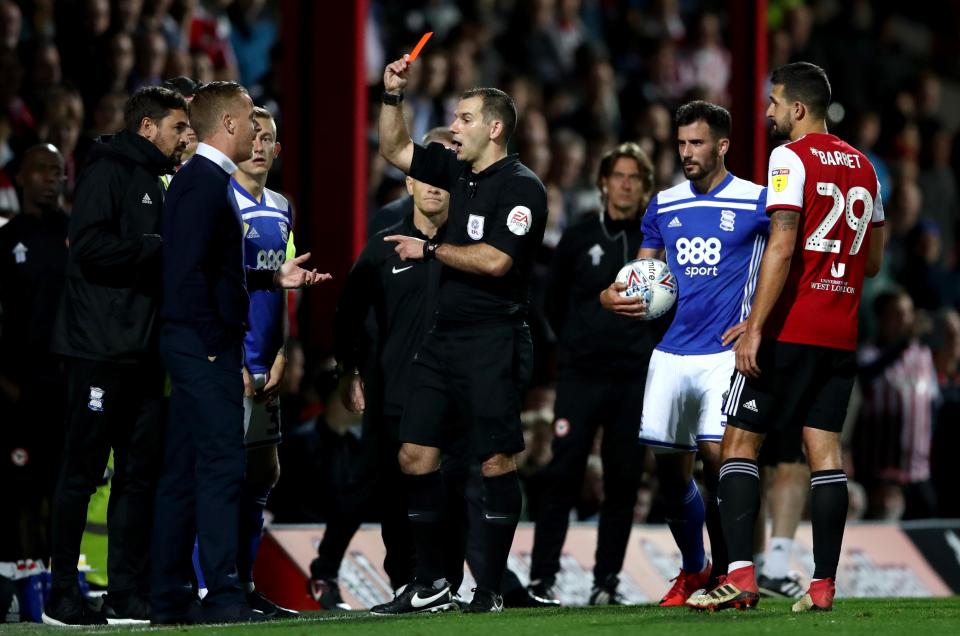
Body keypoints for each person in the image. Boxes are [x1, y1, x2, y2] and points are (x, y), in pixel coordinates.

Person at [687, 62, 885, 613]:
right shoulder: (866, 167)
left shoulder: (789, 158)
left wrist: (754, 325)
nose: (769, 112)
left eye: (774, 103)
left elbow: (782, 240)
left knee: (738, 443)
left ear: (798, 108)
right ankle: (822, 585)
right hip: (841, 333)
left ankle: (742, 576)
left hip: (791, 327)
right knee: (824, 452)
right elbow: (873, 263)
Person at [372, 55, 547, 614]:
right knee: (414, 454)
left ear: (494, 127)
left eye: (465, 118)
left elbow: (497, 261)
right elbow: (394, 151)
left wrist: (430, 248)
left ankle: (490, 588)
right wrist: (393, 96)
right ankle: (431, 582)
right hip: (444, 338)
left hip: (493, 338)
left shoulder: (523, 189)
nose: (456, 126)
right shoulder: (456, 173)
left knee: (495, 461)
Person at [152, 81, 327, 625]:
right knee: (223, 468)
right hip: (204, 349)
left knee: (183, 471)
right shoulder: (203, 184)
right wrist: (211, 347)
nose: (258, 131)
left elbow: (211, 269)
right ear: (227, 124)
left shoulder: (203, 181)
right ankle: (224, 594)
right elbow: (182, 277)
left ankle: (171, 595)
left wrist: (274, 276)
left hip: (194, 345)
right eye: (251, 119)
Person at [600, 101, 767, 607]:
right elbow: (641, 277)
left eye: (697, 143)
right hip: (671, 354)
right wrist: (613, 294)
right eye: (681, 144)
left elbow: (783, 262)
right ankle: (695, 569)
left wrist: (757, 322)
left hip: (724, 354)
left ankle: (733, 574)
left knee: (721, 462)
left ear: (722, 145)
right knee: (671, 475)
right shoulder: (664, 204)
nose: (687, 153)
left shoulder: (757, 201)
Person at [41, 87, 190, 627]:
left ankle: (126, 593)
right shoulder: (107, 171)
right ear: (147, 127)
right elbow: (87, 246)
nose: (184, 137)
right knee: (81, 473)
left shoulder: (158, 180)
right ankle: (62, 594)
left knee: (137, 476)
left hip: (144, 352)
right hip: (99, 348)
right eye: (177, 127)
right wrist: (154, 248)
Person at [527, 142, 661, 606]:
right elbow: (551, 302)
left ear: (645, 188)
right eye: (618, 176)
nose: (626, 184)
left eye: (635, 178)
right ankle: (542, 579)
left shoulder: (657, 244)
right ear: (603, 182)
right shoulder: (579, 238)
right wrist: (577, 344)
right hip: (581, 376)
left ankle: (606, 582)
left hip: (633, 379)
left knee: (623, 480)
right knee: (561, 474)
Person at [228, 105, 298, 618]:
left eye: (267, 138)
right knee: (218, 476)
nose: (258, 145)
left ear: (276, 149)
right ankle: (212, 586)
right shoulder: (218, 200)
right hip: (227, 362)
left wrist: (281, 351)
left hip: (265, 365)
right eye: (251, 135)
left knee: (262, 472)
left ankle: (245, 586)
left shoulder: (282, 206)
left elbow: (285, 288)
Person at [0, 144, 68, 567]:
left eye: (57, 171)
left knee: (65, 488)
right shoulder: (5, 240)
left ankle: (61, 579)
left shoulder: (77, 232)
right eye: (40, 169)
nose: (49, 178)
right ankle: (22, 577)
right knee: (20, 489)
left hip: (69, 383)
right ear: (21, 177)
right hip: (20, 388)